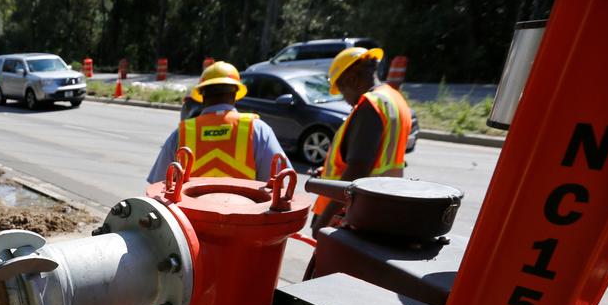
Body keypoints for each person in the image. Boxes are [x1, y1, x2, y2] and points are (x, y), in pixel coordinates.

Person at [310, 46, 413, 230]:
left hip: (354, 214)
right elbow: (377, 156)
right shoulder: (395, 98)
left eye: (342, 90)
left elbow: (357, 170)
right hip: (381, 205)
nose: (345, 99)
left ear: (352, 79)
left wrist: (325, 219)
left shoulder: (370, 106)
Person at [146, 61, 290, 184]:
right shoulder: (259, 130)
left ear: (202, 95)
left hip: (191, 216)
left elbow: (158, 186)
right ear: (235, 94)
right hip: (243, 215)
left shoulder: (181, 134)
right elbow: (280, 182)